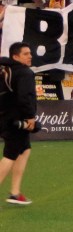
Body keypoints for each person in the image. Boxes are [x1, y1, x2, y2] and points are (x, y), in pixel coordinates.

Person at [0, 43, 37, 206]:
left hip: (5, 115)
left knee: (24, 149)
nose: (30, 56)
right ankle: (14, 193)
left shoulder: (5, 69)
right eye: (26, 54)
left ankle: (15, 192)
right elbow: (24, 97)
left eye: (30, 53)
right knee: (10, 155)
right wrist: (30, 117)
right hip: (16, 118)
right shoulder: (24, 73)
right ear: (15, 57)